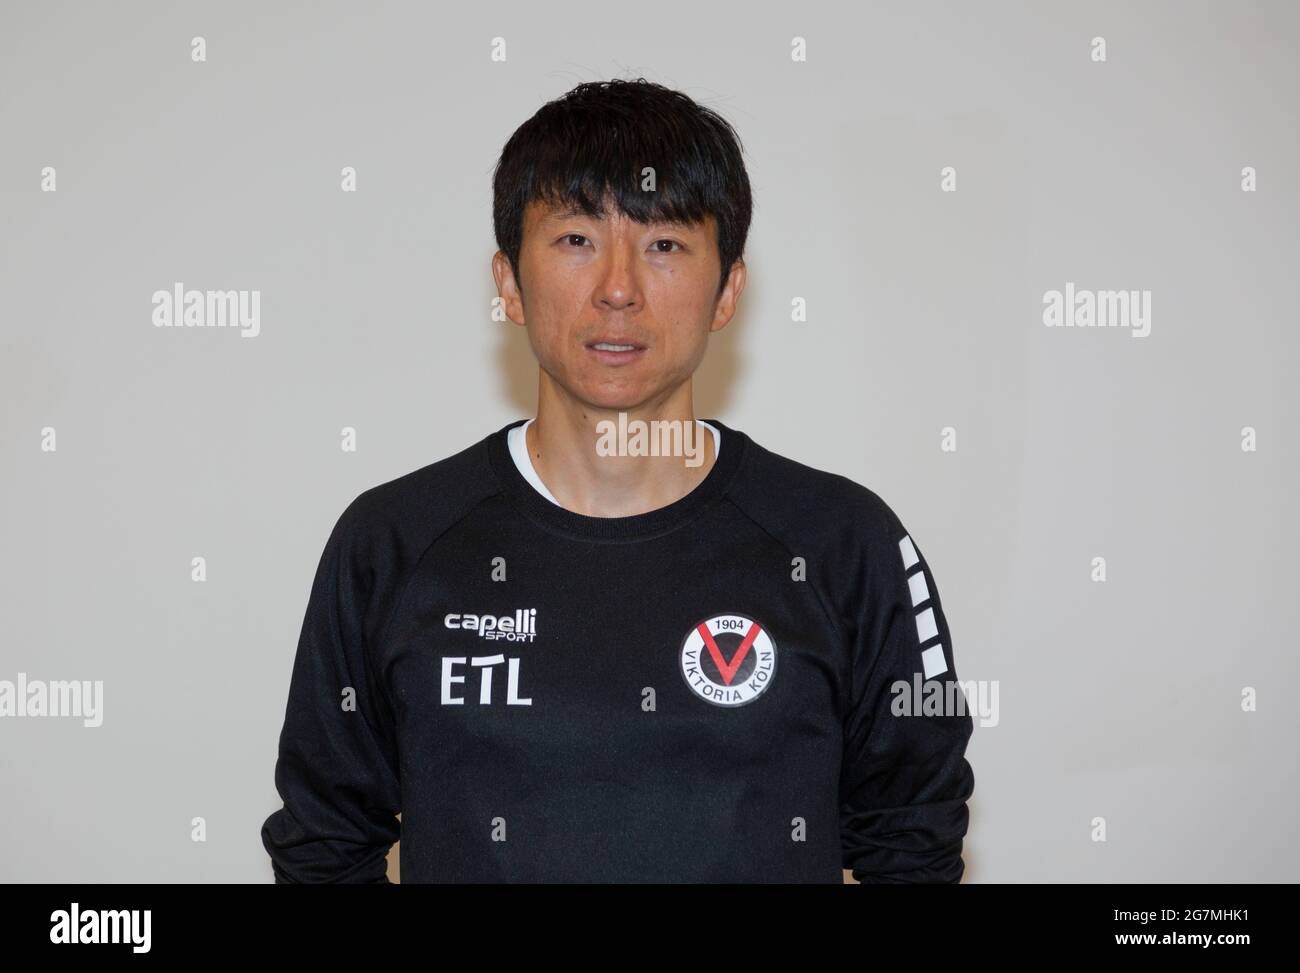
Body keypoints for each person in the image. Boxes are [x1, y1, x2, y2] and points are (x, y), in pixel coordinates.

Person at [260, 78, 975, 883]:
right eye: (575, 239)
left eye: (664, 243)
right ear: (507, 282)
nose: (618, 288)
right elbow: (324, 846)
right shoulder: (390, 542)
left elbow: (913, 842)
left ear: (728, 290)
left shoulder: (846, 541)